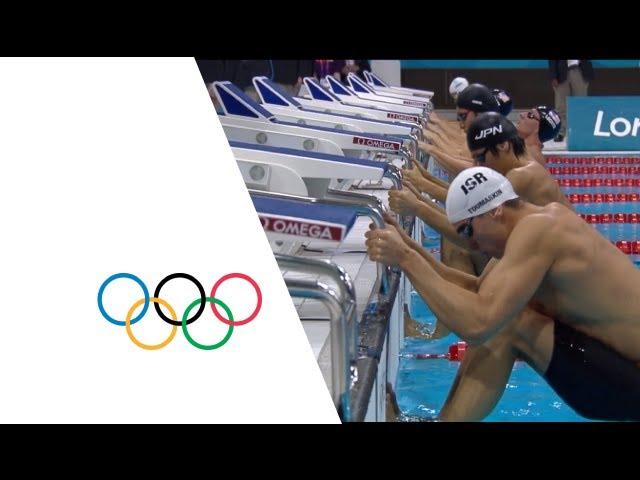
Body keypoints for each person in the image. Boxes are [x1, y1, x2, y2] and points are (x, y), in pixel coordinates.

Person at [368, 166, 640, 421]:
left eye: (468, 230)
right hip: (615, 370)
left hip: (630, 380)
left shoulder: (541, 229)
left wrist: (406, 259)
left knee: (506, 323)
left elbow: (479, 324)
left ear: (495, 210)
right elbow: (476, 290)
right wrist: (407, 247)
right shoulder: (530, 227)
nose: (471, 243)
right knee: (501, 315)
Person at [548, 60, 594, 142]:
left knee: (581, 104)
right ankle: (561, 132)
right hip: (560, 73)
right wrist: (553, 76)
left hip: (579, 71)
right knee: (561, 106)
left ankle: (581, 132)